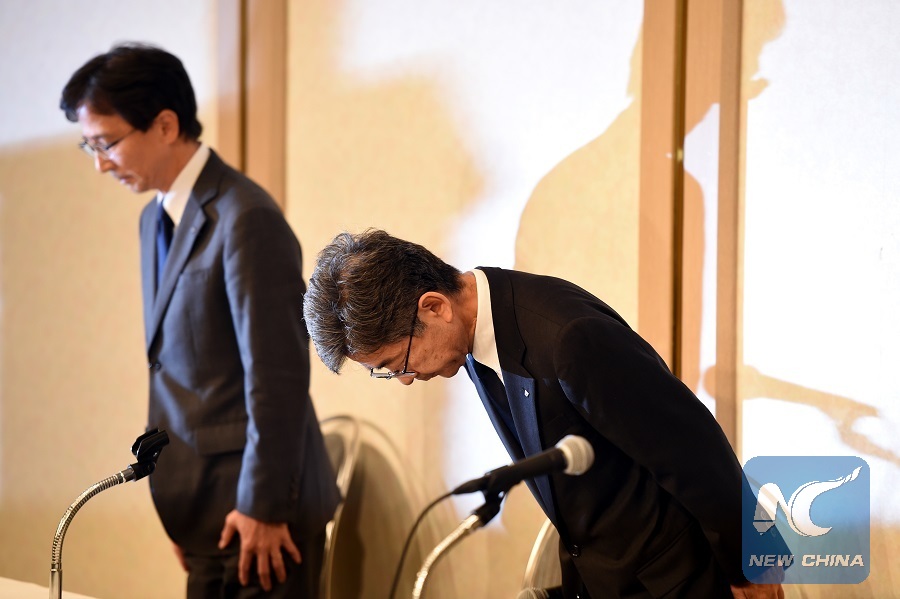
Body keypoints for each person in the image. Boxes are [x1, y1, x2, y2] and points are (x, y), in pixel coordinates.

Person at [302, 229, 787, 599]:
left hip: (680, 579)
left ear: (434, 307)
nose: (406, 379)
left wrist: (754, 566)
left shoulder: (568, 338)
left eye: (398, 363)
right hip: (607, 576)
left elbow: (692, 449)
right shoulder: (476, 333)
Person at [60, 43, 340, 598]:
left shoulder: (246, 216)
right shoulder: (153, 218)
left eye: (107, 143)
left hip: (259, 511)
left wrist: (262, 506)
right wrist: (183, 507)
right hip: (201, 509)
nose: (100, 163)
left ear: (165, 125)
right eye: (89, 145)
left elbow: (278, 376)